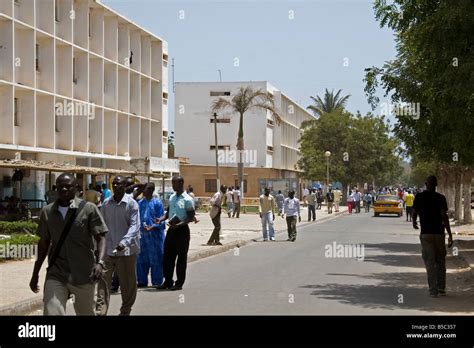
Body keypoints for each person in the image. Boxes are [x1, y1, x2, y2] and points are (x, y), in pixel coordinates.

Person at [29, 173, 108, 315]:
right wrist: (35, 274)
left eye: (68, 186)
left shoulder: (89, 209)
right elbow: (43, 245)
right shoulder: (47, 212)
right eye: (60, 187)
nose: (64, 189)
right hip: (57, 273)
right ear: (55, 188)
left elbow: (101, 237)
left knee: (86, 313)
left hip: (84, 273)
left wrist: (100, 262)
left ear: (76, 188)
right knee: (52, 311)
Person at [98, 175, 140, 316]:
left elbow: (135, 226)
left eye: (119, 184)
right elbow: (102, 225)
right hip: (108, 251)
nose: (116, 186)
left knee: (128, 285)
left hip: (126, 251)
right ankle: (100, 312)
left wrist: (124, 242)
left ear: (125, 186)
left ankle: (125, 311)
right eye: (114, 184)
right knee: (103, 284)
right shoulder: (106, 204)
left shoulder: (132, 204)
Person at [412, 175, 453, 298]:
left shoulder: (419, 197)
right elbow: (444, 216)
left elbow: (414, 212)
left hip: (426, 234)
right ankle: (441, 288)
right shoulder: (441, 198)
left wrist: (414, 222)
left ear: (426, 184)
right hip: (439, 233)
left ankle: (433, 290)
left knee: (430, 261)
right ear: (436, 185)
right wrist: (450, 234)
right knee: (440, 260)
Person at [155, 175, 196, 291]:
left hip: (182, 231)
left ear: (181, 183)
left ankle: (179, 283)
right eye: (172, 183)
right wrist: (161, 219)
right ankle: (168, 281)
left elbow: (191, 217)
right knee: (167, 257)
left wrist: (179, 224)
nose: (173, 185)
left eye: (175, 183)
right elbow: (168, 213)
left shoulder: (188, 199)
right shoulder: (172, 197)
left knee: (181, 259)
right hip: (171, 231)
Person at [136, 183, 166, 288]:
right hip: (142, 237)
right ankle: (142, 280)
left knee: (156, 259)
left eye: (146, 189)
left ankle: (157, 281)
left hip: (155, 237)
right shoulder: (139, 203)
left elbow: (162, 220)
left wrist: (153, 226)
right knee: (141, 259)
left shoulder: (157, 203)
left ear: (152, 190)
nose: (144, 191)